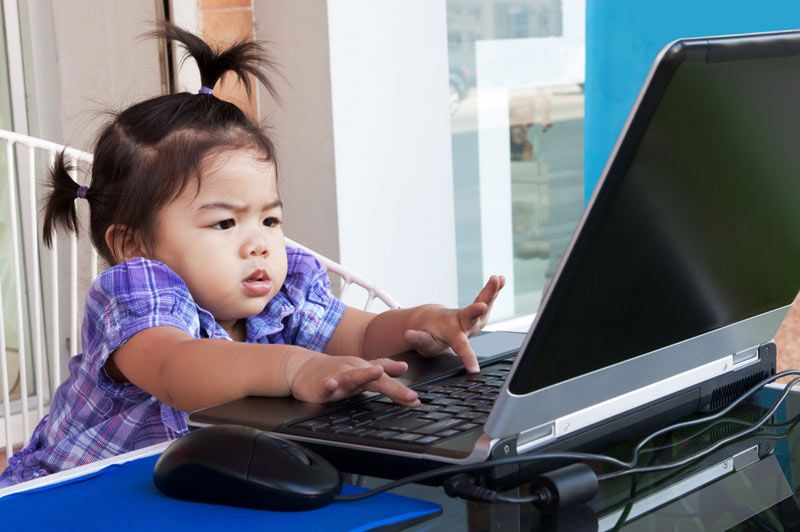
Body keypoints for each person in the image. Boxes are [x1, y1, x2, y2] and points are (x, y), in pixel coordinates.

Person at [0, 23, 504, 486]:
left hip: (201, 484)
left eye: (270, 219)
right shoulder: (136, 292)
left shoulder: (283, 289)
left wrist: (426, 323)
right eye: (224, 223)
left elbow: (364, 334)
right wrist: (293, 369)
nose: (260, 241)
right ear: (131, 245)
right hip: (75, 496)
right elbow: (179, 371)